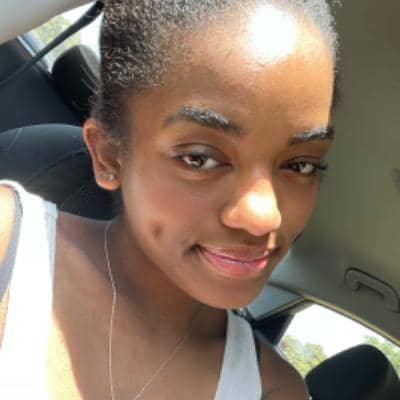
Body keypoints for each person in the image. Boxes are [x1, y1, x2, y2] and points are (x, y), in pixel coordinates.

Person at [0, 0, 339, 398]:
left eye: (300, 165)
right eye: (200, 158)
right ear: (109, 155)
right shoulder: (9, 246)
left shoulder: (275, 391)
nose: (264, 216)